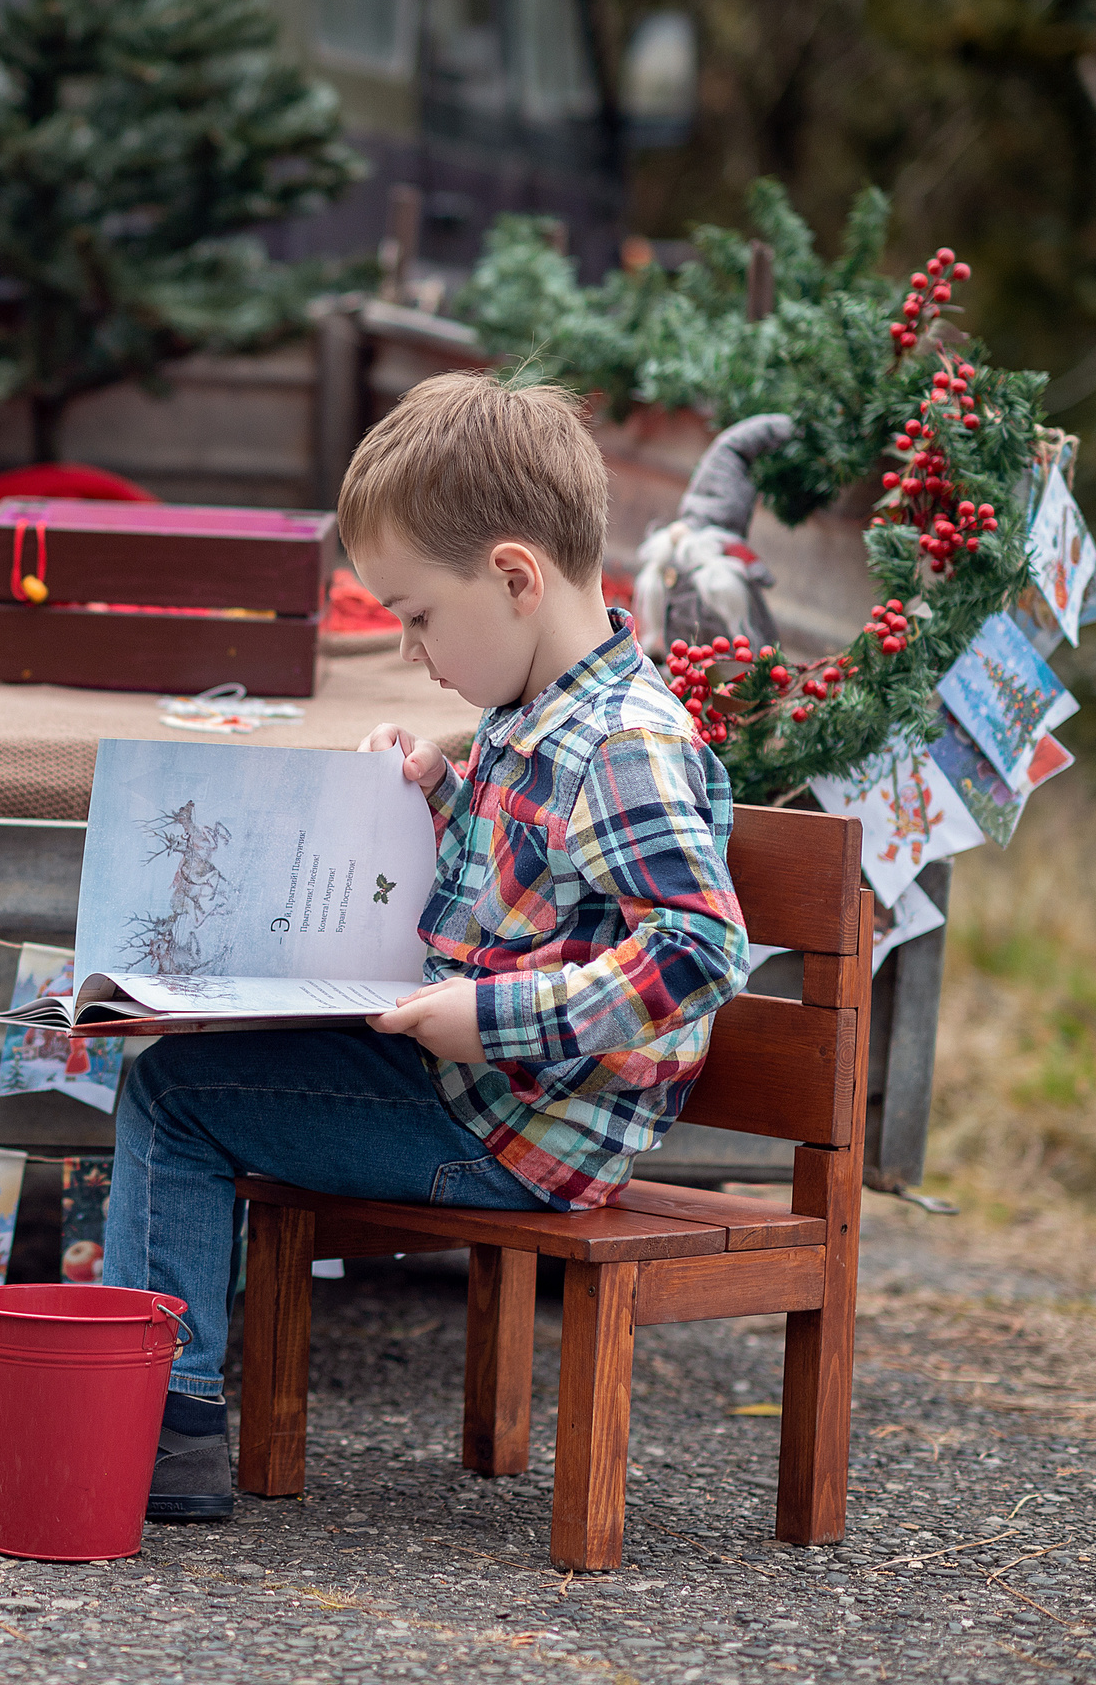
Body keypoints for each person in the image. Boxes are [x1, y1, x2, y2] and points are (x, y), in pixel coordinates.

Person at [103, 372, 750, 1519]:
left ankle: (157, 1437)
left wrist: (487, 1019)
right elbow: (545, 884)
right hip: (476, 1091)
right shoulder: (535, 713)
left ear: (512, 578)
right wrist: (437, 793)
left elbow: (698, 949)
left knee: (173, 1099)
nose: (409, 648)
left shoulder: (622, 743)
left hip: (512, 1131)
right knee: (184, 1052)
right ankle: (161, 1418)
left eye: (414, 616)